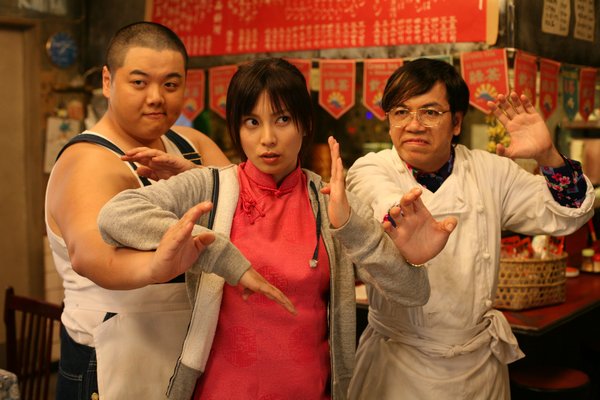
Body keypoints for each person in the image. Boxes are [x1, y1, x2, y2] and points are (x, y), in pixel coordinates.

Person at [97, 57, 457, 400]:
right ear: (237, 128)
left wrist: (350, 226)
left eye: (282, 119)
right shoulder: (210, 186)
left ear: (305, 124)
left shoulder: (331, 201)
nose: (267, 138)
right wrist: (215, 251)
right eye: (252, 122)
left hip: (311, 390)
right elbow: (116, 215)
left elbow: (414, 292)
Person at [345, 57, 596, 399]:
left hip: (477, 365)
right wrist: (400, 218)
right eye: (401, 112)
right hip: (399, 364)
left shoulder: (490, 172)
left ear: (457, 122)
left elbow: (569, 212)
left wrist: (548, 156)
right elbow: (383, 201)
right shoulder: (371, 169)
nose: (414, 124)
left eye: (430, 112)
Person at [43, 21, 260, 400]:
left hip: (193, 351)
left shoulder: (191, 144)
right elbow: (91, 256)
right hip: (115, 354)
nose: (156, 97)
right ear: (108, 81)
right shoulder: (89, 161)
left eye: (171, 85)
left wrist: (195, 177)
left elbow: (253, 214)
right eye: (139, 82)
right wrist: (157, 266)